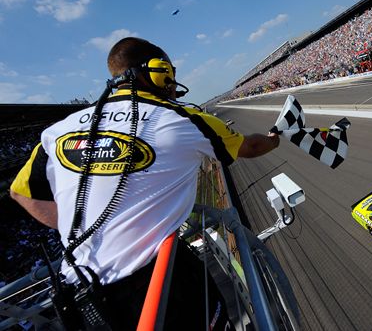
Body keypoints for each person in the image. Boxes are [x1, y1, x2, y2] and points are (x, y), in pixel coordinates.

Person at [9, 37, 280, 330]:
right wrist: (274, 137)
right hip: (159, 284)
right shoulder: (180, 118)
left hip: (82, 298)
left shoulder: (57, 130)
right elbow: (251, 147)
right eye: (170, 72)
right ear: (158, 71)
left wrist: (70, 222)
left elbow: (19, 191)